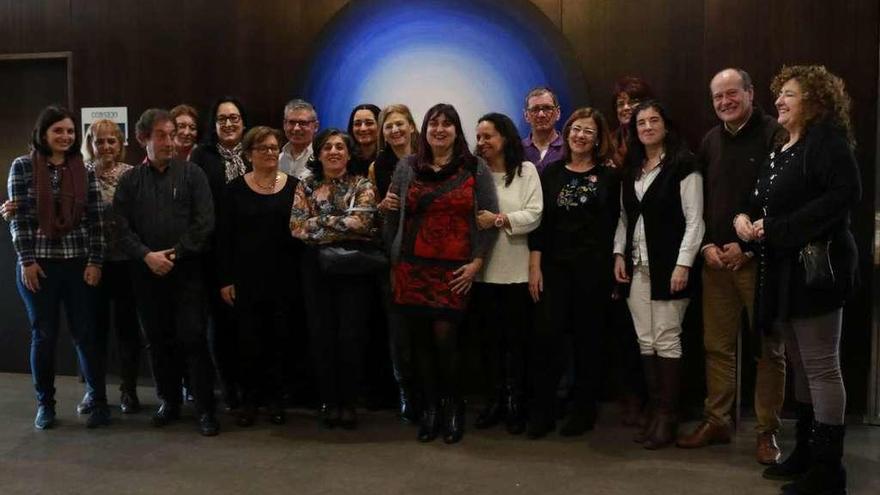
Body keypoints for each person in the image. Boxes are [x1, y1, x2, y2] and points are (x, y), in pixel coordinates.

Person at [735, 65, 860, 495]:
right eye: (779, 94)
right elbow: (758, 198)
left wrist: (781, 226)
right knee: (803, 367)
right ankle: (806, 454)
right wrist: (743, 218)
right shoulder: (780, 145)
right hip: (784, 272)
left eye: (789, 94)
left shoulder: (827, 141)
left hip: (816, 272)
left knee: (822, 368)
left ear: (815, 101)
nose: (779, 101)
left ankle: (829, 470)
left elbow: (845, 195)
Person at [677, 68, 787, 466]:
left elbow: (783, 196)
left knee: (768, 351)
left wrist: (750, 248)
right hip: (715, 263)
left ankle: (767, 432)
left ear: (750, 93)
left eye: (731, 94)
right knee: (716, 348)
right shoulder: (710, 140)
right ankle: (717, 421)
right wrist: (706, 244)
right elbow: (699, 200)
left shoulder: (775, 134)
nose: (725, 102)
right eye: (717, 97)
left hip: (759, 262)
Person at [383, 103, 499, 444]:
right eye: (434, 123)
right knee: (419, 344)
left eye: (447, 124)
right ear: (425, 130)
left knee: (447, 343)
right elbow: (392, 215)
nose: (439, 129)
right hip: (412, 267)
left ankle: (452, 408)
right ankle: (430, 409)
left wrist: (477, 263)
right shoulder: (407, 167)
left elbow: (489, 219)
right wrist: (394, 261)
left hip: (455, 271)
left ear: (456, 130)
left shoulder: (475, 168)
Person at [113, 108, 218, 436]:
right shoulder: (129, 181)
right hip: (146, 273)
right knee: (157, 340)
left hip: (186, 271)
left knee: (194, 337)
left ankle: (205, 408)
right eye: (162, 135)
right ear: (143, 139)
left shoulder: (192, 174)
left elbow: (205, 223)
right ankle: (168, 401)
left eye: (173, 135)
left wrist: (173, 253)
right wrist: (147, 256)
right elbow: (119, 227)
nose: (171, 142)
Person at [7, 105, 108, 429]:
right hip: (39, 266)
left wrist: (95, 261)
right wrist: (27, 261)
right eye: (58, 131)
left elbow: (97, 221)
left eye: (69, 131)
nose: (65, 137)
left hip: (78, 264)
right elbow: (19, 221)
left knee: (85, 334)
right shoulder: (22, 167)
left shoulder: (84, 169)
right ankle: (45, 405)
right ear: (43, 134)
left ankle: (98, 401)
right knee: (44, 335)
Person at [613, 100, 705, 450]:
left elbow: (696, 221)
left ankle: (669, 416)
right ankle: (655, 411)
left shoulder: (684, 165)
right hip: (636, 267)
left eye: (654, 121)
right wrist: (618, 253)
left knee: (667, 338)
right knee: (645, 340)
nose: (647, 127)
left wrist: (683, 264)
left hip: (670, 267)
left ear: (666, 126)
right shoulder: (632, 168)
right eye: (641, 123)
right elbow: (625, 218)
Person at [527, 107, 618, 439]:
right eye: (576, 129)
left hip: (593, 272)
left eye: (588, 131)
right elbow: (539, 226)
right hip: (553, 269)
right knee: (547, 341)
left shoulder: (610, 177)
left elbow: (614, 226)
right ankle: (544, 411)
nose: (580, 136)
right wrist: (535, 267)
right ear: (566, 134)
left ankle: (583, 411)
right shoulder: (550, 173)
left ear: (598, 139)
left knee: (588, 343)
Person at [290, 128, 378, 430]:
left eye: (340, 147)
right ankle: (328, 401)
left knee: (350, 336)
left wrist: (320, 220)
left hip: (353, 267)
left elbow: (364, 223)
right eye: (327, 147)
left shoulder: (362, 183)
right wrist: (342, 222)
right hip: (315, 269)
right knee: (321, 334)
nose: (334, 151)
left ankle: (349, 402)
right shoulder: (306, 183)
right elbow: (297, 227)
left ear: (349, 153)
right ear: (319, 153)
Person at [218, 126, 298, 427]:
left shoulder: (295, 186)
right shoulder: (234, 189)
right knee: (247, 342)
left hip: (284, 279)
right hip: (245, 280)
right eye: (262, 148)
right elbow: (223, 239)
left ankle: (277, 400)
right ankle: (250, 400)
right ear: (249, 153)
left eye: (274, 147)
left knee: (280, 340)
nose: (269, 153)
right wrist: (225, 279)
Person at [471, 112, 543, 435]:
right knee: (489, 344)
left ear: (505, 137)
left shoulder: (525, 171)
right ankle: (493, 401)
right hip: (483, 272)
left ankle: (516, 402)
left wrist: (498, 219)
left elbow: (535, 214)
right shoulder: (474, 172)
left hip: (516, 271)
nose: (482, 143)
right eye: (479, 137)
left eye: (489, 136)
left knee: (517, 343)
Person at [79, 119, 142, 415]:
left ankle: (128, 390)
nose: (105, 146)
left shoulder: (132, 175)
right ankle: (95, 392)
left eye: (111, 141)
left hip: (127, 264)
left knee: (128, 330)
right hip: (94, 265)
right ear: (90, 145)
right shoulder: (81, 176)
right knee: (94, 330)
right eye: (99, 141)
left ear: (121, 145)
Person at [191, 96, 249, 411]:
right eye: (222, 118)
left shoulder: (258, 152)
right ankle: (229, 387)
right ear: (214, 125)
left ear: (244, 122)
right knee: (222, 325)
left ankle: (252, 386)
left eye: (234, 118)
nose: (228, 124)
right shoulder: (202, 156)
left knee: (250, 324)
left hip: (253, 252)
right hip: (215, 253)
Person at [373, 104, 420, 422]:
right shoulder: (378, 165)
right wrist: (381, 205)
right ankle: (407, 390)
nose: (395, 130)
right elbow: (374, 214)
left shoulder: (430, 156)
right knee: (399, 332)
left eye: (400, 124)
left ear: (412, 126)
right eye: (388, 126)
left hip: (430, 256)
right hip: (394, 257)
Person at [610, 77, 655, 166]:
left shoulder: (656, 136)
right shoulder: (609, 142)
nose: (626, 108)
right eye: (621, 104)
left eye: (632, 102)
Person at [521, 87, 564, 172]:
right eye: (535, 109)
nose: (541, 114)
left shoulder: (569, 149)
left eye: (547, 108)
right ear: (526, 115)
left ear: (558, 113)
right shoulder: (517, 150)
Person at [280, 99, 319, 180]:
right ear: (284, 125)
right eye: (291, 122)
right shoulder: (277, 159)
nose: (296, 128)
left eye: (303, 123)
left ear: (316, 126)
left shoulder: (322, 158)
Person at [347, 103, 381, 177]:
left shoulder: (389, 158)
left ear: (380, 126)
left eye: (369, 123)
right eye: (357, 124)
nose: (363, 128)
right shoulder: (345, 160)